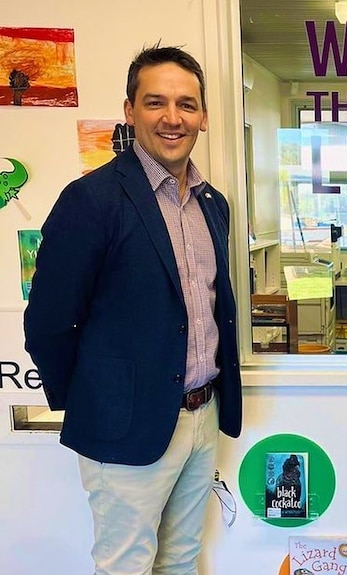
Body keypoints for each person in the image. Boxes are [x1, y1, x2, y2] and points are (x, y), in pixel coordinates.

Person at [23, 44, 242, 574]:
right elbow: (48, 324)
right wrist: (97, 400)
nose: (173, 118)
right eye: (155, 102)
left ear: (204, 116)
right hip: (124, 425)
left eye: (187, 105)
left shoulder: (213, 203)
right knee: (125, 564)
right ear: (130, 110)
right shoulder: (91, 200)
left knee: (182, 558)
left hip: (202, 414)